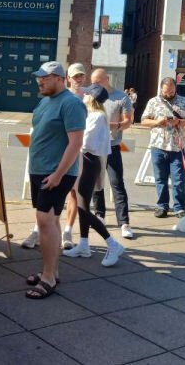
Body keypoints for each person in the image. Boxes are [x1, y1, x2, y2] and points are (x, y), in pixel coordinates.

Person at [24, 61, 85, 299]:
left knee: (44, 221)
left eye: (46, 77)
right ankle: (51, 271)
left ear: (60, 78)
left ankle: (48, 277)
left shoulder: (71, 103)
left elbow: (76, 143)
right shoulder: (44, 102)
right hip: (41, 169)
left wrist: (59, 174)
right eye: (39, 77)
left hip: (57, 172)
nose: (40, 81)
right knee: (51, 221)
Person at [62, 84, 124, 265]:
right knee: (83, 205)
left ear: (91, 98)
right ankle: (83, 244)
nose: (84, 94)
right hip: (88, 161)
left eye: (87, 93)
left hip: (88, 162)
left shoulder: (96, 116)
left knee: (82, 208)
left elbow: (84, 141)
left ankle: (112, 244)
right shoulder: (96, 115)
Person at [91, 67, 135, 239]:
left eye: (97, 82)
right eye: (93, 82)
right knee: (97, 183)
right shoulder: (91, 97)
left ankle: (124, 222)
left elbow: (127, 121)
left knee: (117, 183)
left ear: (106, 79)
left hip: (112, 145)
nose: (94, 85)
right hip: (95, 146)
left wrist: (114, 126)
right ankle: (99, 215)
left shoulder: (121, 97)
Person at [141, 77, 185, 218]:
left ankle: (179, 207)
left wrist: (180, 121)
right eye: (166, 92)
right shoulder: (153, 102)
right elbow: (143, 121)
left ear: (175, 88)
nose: (169, 94)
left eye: (171, 91)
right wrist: (158, 121)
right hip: (158, 145)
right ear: (161, 89)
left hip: (177, 147)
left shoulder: (184, 102)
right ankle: (162, 206)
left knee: (178, 179)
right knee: (160, 178)